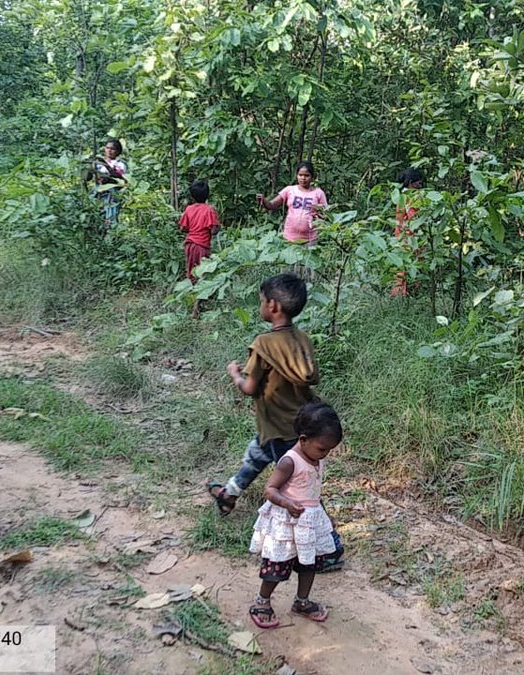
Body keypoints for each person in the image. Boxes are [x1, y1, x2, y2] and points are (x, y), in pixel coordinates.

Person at [208, 273, 319, 513]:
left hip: (277, 427)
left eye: (261, 300)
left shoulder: (263, 343)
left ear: (273, 305)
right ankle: (228, 494)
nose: (261, 305)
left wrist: (235, 374)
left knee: (295, 483)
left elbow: (249, 389)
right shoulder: (303, 340)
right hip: (298, 423)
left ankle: (322, 533)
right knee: (256, 455)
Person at [246, 401, 344, 627]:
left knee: (309, 564)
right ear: (303, 440)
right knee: (277, 565)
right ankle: (262, 602)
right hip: (286, 524)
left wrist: (323, 516)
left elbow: (312, 491)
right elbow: (270, 490)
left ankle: (302, 601)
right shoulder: (290, 461)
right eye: (322, 448)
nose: (325, 454)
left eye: (329, 450)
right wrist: (288, 503)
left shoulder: (315, 457)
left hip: (308, 523)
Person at [256, 161, 328, 245]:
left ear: (312, 177)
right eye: (300, 175)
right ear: (296, 176)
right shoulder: (289, 190)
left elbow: (326, 214)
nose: (303, 178)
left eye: (306, 175)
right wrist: (263, 200)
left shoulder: (318, 193)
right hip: (289, 237)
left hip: (310, 239)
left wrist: (319, 218)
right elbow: (272, 205)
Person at [179, 180, 221, 317]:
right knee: (203, 274)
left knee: (192, 273)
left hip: (190, 245)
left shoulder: (189, 209)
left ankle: (195, 301)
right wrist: (217, 227)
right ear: (207, 195)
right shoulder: (209, 210)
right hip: (202, 246)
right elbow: (214, 231)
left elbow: (182, 228)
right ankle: (196, 307)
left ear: (192, 196)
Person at [392, 167, 425, 297]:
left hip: (400, 237)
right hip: (411, 239)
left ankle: (400, 295)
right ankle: (408, 295)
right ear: (411, 183)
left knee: (401, 269)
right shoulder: (411, 198)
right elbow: (413, 219)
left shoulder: (400, 197)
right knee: (411, 269)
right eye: (419, 183)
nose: (421, 186)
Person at [89, 139, 128, 230]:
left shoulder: (120, 164)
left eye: (112, 149)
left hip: (112, 192)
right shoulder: (98, 163)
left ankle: (111, 237)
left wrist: (105, 165)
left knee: (111, 217)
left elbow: (118, 178)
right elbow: (88, 178)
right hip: (98, 191)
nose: (109, 151)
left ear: (118, 151)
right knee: (96, 214)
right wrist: (90, 167)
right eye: (107, 148)